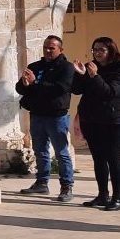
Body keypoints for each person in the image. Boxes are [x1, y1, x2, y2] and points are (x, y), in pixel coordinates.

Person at [15, 35, 76, 201]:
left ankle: (66, 186)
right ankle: (42, 183)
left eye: (52, 48)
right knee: (40, 151)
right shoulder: (35, 66)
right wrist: (25, 84)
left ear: (60, 50)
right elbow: (20, 88)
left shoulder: (66, 68)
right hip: (37, 115)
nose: (48, 51)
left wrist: (35, 84)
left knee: (61, 152)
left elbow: (60, 89)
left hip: (57, 117)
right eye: (45, 48)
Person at [73, 37, 120, 210]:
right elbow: (77, 90)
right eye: (95, 49)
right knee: (98, 159)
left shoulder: (117, 68)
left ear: (111, 51)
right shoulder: (91, 66)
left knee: (114, 160)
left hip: (112, 121)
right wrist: (79, 74)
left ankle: (117, 197)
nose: (97, 53)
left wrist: (94, 76)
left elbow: (110, 92)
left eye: (101, 50)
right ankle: (102, 195)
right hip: (91, 120)